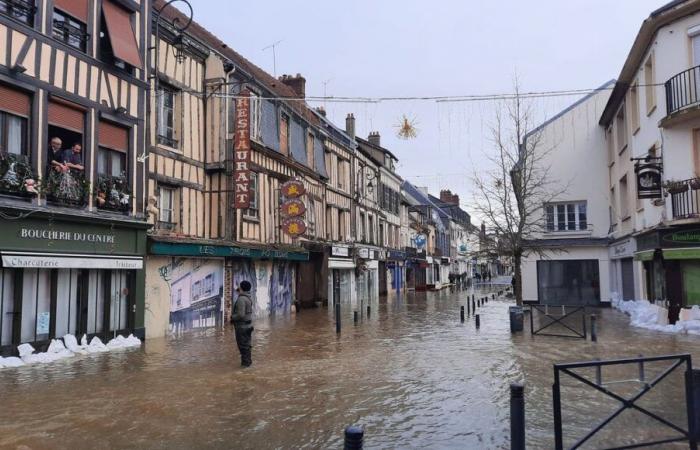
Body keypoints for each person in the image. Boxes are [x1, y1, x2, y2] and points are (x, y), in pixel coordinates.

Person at [231, 280, 254, 367]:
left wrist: (232, 317)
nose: (238, 288)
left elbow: (240, 314)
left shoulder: (241, 299)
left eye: (240, 286)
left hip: (242, 327)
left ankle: (245, 366)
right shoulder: (248, 297)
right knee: (247, 346)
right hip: (248, 326)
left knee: (243, 347)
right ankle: (248, 365)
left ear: (241, 288)